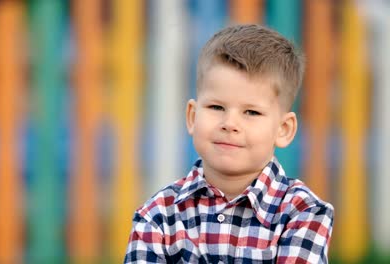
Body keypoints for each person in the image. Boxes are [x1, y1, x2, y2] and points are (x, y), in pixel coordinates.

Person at [124, 24, 334, 263]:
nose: (230, 123)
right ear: (193, 116)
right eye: (216, 107)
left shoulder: (303, 213)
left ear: (283, 130)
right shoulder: (158, 215)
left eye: (251, 112)